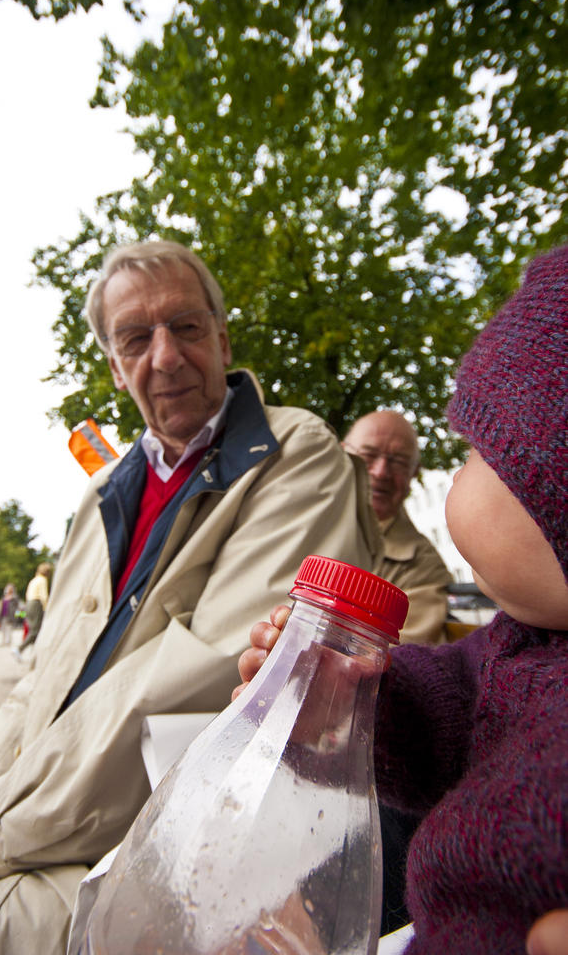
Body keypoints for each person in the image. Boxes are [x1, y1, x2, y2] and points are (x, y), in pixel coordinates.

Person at [0, 239, 379, 951]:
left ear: (221, 338)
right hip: (31, 819)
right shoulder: (102, 491)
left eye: (185, 327)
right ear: (114, 364)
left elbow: (186, 695)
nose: (164, 357)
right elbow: (37, 687)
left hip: (154, 854)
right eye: (135, 338)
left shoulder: (295, 453)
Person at [235, 244, 568, 953]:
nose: (449, 471)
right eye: (366, 459)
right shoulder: (521, 638)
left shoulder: (430, 569)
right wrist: (351, 697)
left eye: (476, 451)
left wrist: (361, 678)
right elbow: (450, 694)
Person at [343, 410, 453, 644]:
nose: (381, 471)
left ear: (414, 473)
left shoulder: (422, 567)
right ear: (341, 454)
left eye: (399, 462)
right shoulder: (298, 514)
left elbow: (401, 660)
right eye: (368, 455)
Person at [14, 562, 51, 659]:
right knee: (36, 631)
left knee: (33, 629)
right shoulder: (43, 580)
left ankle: (36, 654)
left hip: (29, 604)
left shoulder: (34, 580)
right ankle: (20, 649)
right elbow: (44, 595)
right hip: (36, 604)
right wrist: (47, 608)